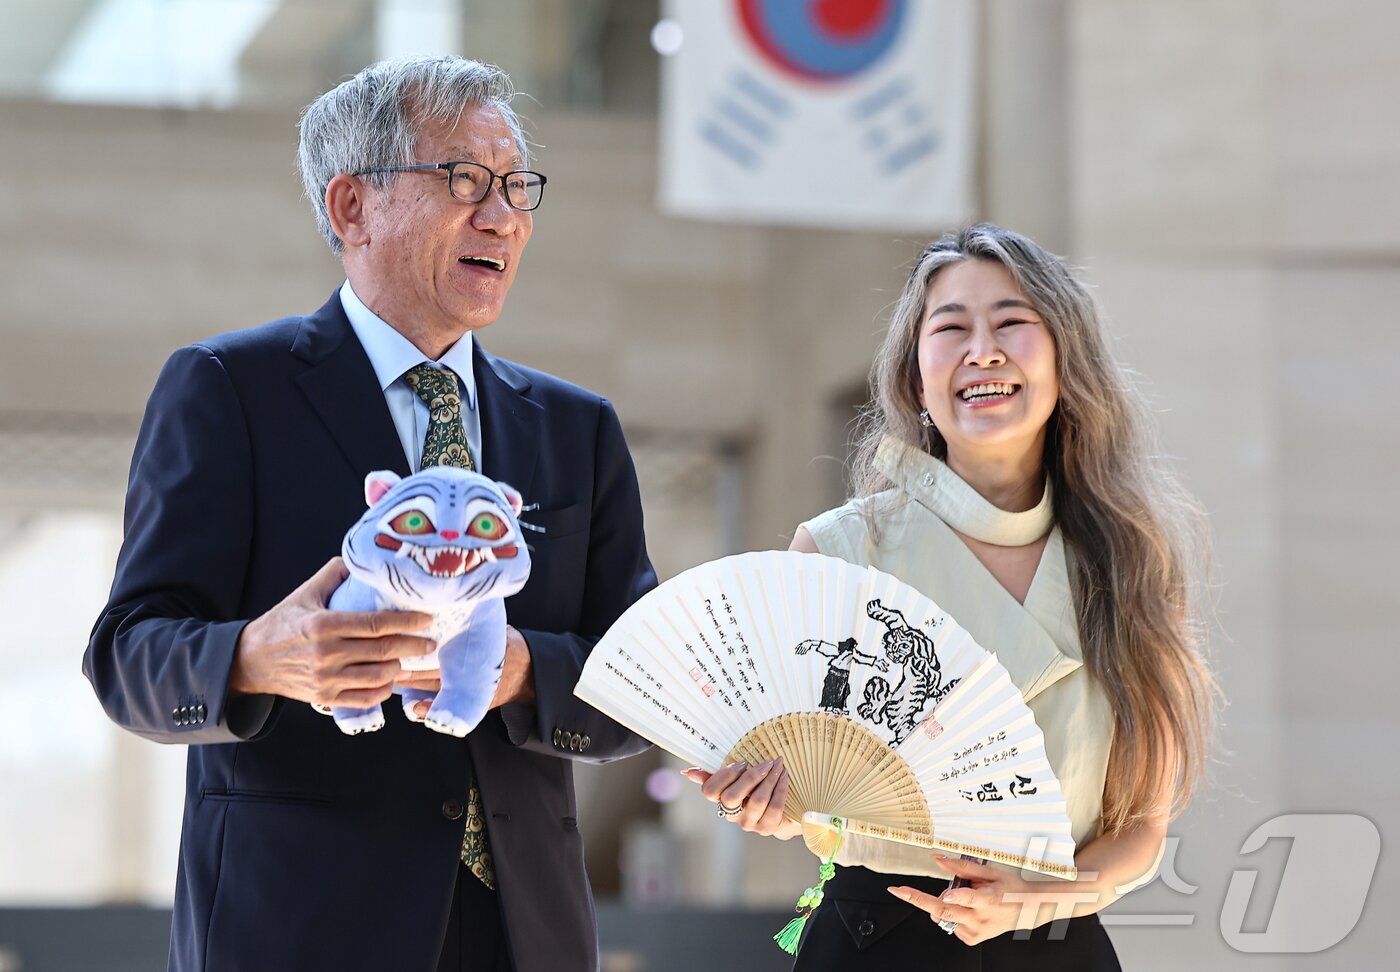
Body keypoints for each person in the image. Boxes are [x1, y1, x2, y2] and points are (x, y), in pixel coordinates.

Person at [83, 56, 655, 972]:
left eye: (515, 186)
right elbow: (128, 654)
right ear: (353, 207)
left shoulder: (575, 428)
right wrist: (258, 657)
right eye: (465, 180)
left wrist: (515, 674)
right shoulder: (231, 389)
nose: (504, 216)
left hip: (524, 930)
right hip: (298, 928)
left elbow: (647, 684)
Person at [685, 224, 1216, 968]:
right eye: (951, 327)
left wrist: (1035, 897)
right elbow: (806, 793)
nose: (982, 350)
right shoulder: (839, 552)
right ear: (915, 376)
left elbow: (1141, 831)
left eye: (1011, 322)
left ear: (1067, 359)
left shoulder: (1131, 558)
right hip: (875, 942)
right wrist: (772, 805)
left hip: (1058, 943)